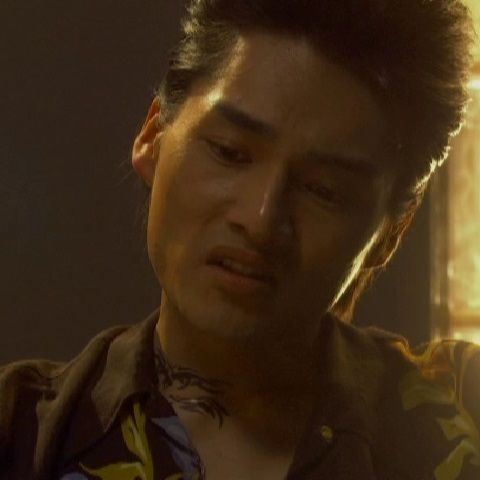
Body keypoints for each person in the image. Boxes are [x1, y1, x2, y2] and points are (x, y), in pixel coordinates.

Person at [1, 0, 479, 479]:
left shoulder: (461, 415)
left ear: (390, 234)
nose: (260, 220)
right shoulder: (20, 430)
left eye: (323, 190)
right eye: (229, 152)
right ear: (153, 135)